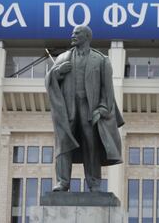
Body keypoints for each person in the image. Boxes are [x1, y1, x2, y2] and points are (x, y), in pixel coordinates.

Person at [45, 25, 124, 192]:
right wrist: (58, 72)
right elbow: (50, 80)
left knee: (91, 145)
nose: (72, 35)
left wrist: (102, 109)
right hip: (68, 110)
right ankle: (62, 182)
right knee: (63, 144)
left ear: (87, 37)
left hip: (90, 110)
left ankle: (94, 183)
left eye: (77, 33)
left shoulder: (101, 60)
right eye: (72, 33)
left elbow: (108, 91)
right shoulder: (62, 58)